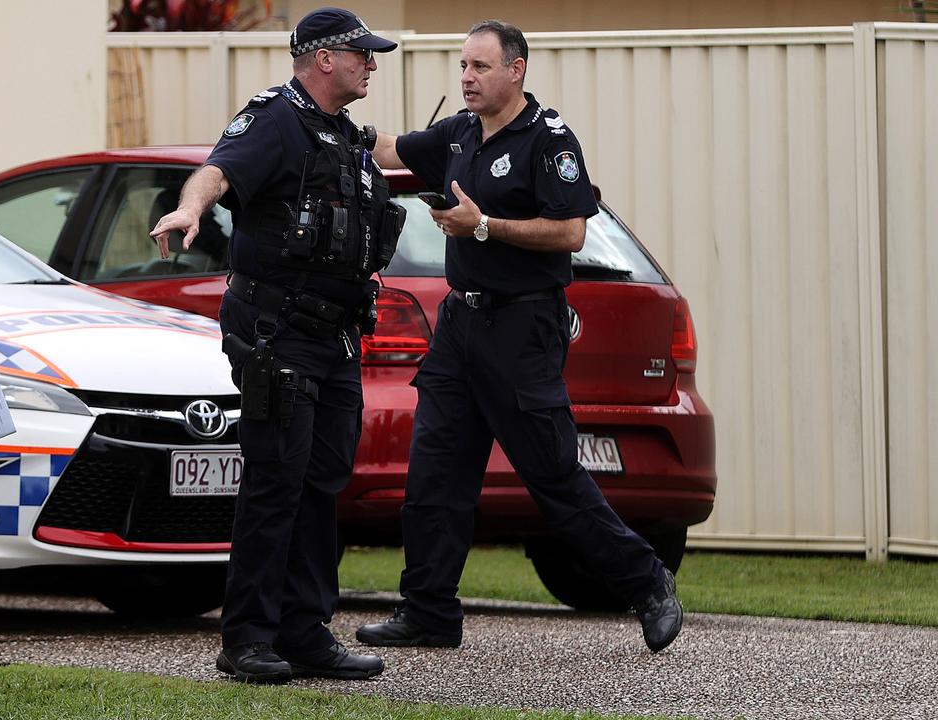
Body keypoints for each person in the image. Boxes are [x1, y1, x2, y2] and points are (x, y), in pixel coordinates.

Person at [354, 21, 684, 654]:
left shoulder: (549, 142)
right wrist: (346, 131)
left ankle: (647, 583)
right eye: (462, 68)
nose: (467, 79)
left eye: (479, 67)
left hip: (522, 328)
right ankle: (428, 611)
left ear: (516, 70)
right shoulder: (459, 131)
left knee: (553, 476)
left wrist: (483, 228)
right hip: (460, 327)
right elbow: (397, 149)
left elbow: (570, 233)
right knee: (435, 475)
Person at [150, 7, 405, 684]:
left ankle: (305, 631)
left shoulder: (343, 134)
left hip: (336, 336)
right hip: (277, 333)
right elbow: (219, 170)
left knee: (323, 484)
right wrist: (191, 208)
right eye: (362, 53)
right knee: (276, 482)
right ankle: (249, 638)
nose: (371, 63)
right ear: (324, 58)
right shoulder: (275, 119)